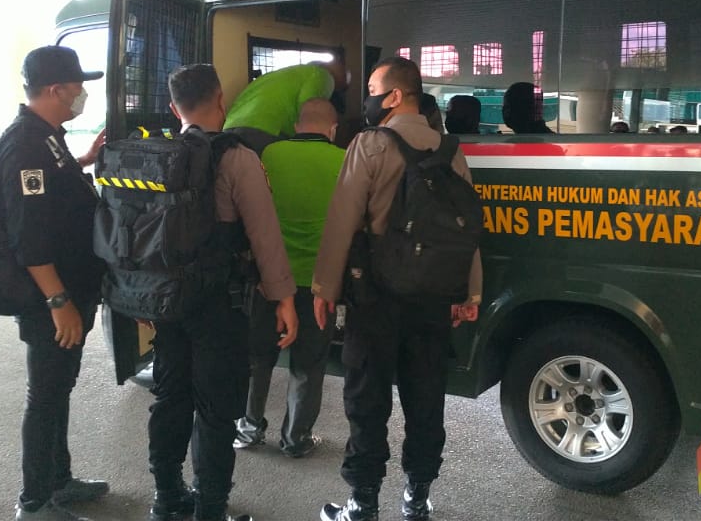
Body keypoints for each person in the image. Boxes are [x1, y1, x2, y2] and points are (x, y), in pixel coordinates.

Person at [311, 57, 482, 521]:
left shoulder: (369, 144)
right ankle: (417, 498)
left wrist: (324, 288)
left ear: (394, 96)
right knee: (426, 397)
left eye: (372, 89)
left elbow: (342, 221)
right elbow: (464, 230)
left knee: (366, 398)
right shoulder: (451, 150)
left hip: (375, 297)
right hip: (433, 298)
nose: (367, 98)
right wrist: (469, 294)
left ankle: (362, 503)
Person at [147, 64, 300, 521]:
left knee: (170, 397)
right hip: (219, 303)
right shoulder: (237, 158)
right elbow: (264, 235)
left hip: (167, 300)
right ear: (221, 101)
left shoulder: (159, 154)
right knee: (215, 409)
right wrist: (284, 298)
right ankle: (210, 508)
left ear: (174, 108)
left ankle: (166, 497)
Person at [0, 46, 110, 521]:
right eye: (78, 86)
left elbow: (50, 190)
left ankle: (59, 480)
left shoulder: (48, 139)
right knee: (44, 396)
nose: (83, 93)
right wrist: (59, 301)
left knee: (59, 389)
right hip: (51, 298)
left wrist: (85, 159)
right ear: (56, 89)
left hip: (71, 290)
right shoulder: (25, 144)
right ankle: (35, 502)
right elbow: (29, 237)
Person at [234, 98, 345, 458]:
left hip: (269, 277)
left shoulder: (269, 154)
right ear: (332, 129)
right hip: (318, 283)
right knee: (309, 363)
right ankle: (296, 438)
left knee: (257, 358)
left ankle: (249, 429)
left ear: (296, 126)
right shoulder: (344, 160)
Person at [224, 58, 349, 152]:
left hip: (229, 128)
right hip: (266, 130)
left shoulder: (287, 73)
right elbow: (309, 110)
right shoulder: (323, 75)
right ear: (340, 76)